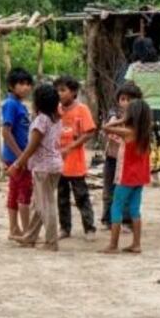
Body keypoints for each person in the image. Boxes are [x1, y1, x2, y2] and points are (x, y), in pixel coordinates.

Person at [8, 83, 63, 251]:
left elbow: (32, 146)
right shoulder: (55, 118)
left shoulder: (41, 120)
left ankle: (51, 241)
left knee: (46, 205)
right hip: (53, 165)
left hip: (44, 168)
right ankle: (30, 237)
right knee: (40, 204)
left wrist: (17, 164)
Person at [101, 98, 152, 254]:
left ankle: (113, 245)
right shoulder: (144, 132)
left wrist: (122, 119)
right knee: (135, 209)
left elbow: (106, 127)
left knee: (116, 207)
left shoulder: (128, 132)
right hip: (140, 177)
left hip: (127, 176)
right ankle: (136, 244)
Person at [54, 75, 97, 241]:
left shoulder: (82, 109)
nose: (60, 93)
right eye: (57, 90)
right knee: (62, 197)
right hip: (59, 163)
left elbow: (90, 132)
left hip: (76, 163)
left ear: (73, 92)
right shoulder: (56, 110)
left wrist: (71, 146)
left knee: (81, 197)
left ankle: (89, 228)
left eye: (63, 90)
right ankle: (65, 228)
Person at [124, 36, 160, 179]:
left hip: (140, 108)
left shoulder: (134, 68)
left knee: (141, 139)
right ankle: (156, 173)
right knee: (158, 139)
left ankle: (143, 171)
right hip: (159, 107)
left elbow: (127, 89)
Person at [102, 81, 142, 230]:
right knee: (108, 189)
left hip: (128, 161)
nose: (125, 103)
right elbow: (107, 130)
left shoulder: (138, 119)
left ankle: (126, 220)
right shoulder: (114, 115)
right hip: (112, 157)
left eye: (129, 100)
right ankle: (108, 219)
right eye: (123, 99)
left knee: (125, 191)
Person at [0, 68, 35, 239]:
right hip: (17, 157)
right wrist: (21, 157)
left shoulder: (18, 104)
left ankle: (14, 229)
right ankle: (27, 231)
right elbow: (6, 132)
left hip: (16, 156)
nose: (26, 87)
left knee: (14, 191)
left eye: (28, 84)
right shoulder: (11, 104)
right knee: (24, 191)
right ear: (11, 86)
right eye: (21, 84)